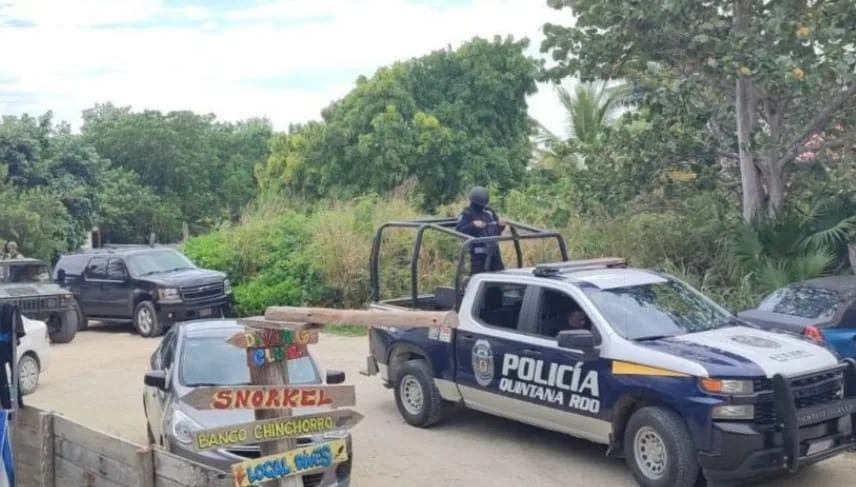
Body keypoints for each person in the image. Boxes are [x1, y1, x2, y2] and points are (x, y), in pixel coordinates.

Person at [456, 186, 507, 275]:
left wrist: (501, 225)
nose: (481, 206)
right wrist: (473, 225)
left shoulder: (489, 212)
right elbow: (459, 231)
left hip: (494, 252)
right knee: (478, 277)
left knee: (499, 276)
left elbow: (496, 230)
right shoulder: (467, 213)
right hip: (478, 256)